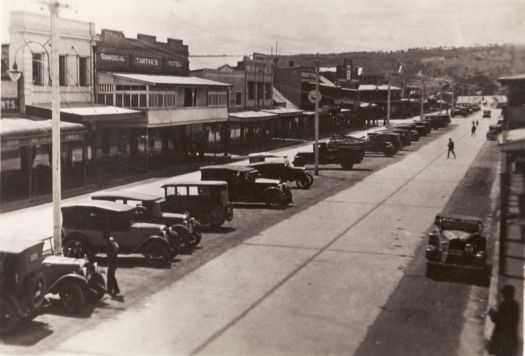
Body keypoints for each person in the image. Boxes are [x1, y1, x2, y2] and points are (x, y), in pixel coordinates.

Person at [488, 285, 519, 356]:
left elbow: (499, 320)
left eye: (504, 293)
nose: (502, 295)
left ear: (506, 294)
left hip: (501, 337)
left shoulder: (504, 304)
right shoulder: (516, 304)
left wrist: (492, 313)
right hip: (511, 337)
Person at [104, 230, 120, 296]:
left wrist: (111, 257)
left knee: (110, 275)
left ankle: (114, 290)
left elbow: (115, 249)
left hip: (112, 261)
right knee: (110, 275)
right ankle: (110, 290)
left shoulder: (110, 241)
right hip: (113, 260)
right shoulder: (112, 240)